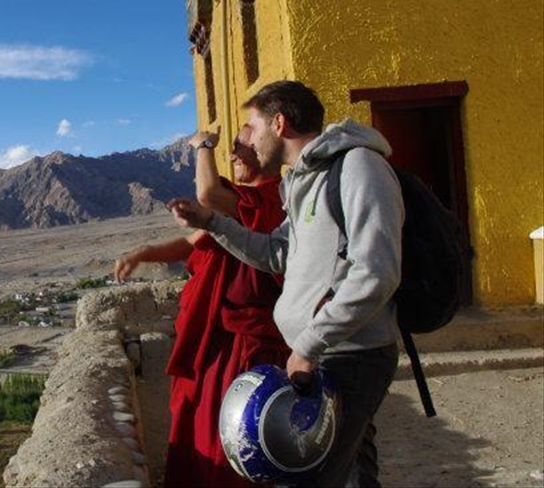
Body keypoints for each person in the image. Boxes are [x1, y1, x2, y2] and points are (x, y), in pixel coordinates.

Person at [168, 80, 403, 487]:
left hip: (350, 353)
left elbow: (377, 271)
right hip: (321, 353)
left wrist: (309, 346)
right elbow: (276, 253)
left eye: (252, 128)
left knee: (310, 476)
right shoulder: (301, 180)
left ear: (278, 124)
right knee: (350, 473)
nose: (247, 142)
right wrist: (211, 223)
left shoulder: (358, 167)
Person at [115, 127, 288, 488]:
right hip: (215, 339)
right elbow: (192, 243)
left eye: (241, 146)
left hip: (246, 341)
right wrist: (143, 253)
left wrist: (203, 145)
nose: (233, 154)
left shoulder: (267, 201)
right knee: (200, 420)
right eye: (231, 148)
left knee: (237, 428)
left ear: (264, 150)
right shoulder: (239, 203)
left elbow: (207, 193)